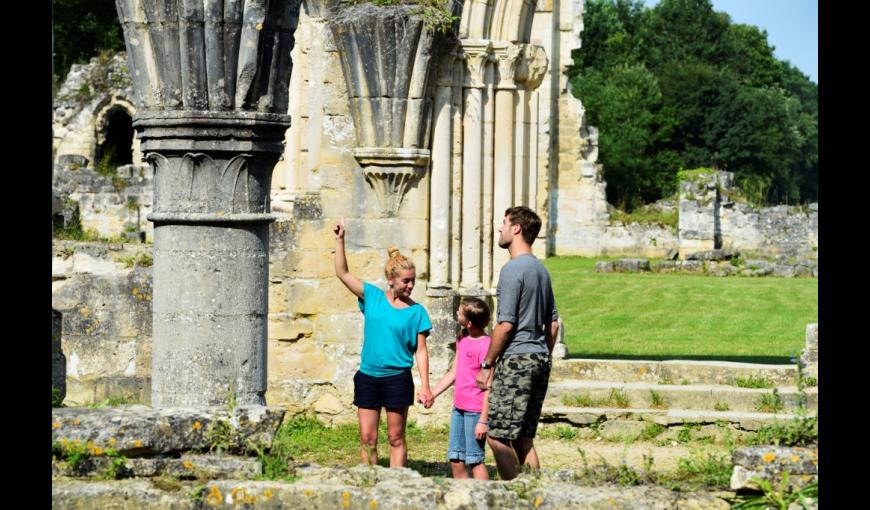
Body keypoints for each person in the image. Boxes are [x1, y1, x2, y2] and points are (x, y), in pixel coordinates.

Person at [333, 219, 434, 468]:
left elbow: (421, 352)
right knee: (368, 439)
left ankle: (396, 484)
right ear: (390, 279)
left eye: (413, 280)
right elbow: (342, 273)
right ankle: (369, 483)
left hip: (397, 379)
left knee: (396, 438)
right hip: (368, 377)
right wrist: (340, 240)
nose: (410, 285)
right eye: (405, 281)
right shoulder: (373, 297)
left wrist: (426, 386)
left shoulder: (417, 312)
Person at [475, 206, 560, 480]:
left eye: (503, 223)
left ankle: (514, 495)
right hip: (539, 357)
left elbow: (505, 325)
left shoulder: (513, 269)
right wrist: (542, 355)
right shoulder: (541, 270)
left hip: (517, 359)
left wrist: (487, 364)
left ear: (516, 228)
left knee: (497, 436)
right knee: (523, 438)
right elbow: (553, 324)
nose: (499, 228)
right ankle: (536, 494)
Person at [430, 297, 493, 480]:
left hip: (475, 411)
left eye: (460, 312)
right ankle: (463, 495)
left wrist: (483, 420)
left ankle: (485, 495)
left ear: (469, 322)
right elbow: (454, 372)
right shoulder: (463, 338)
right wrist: (433, 394)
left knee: (475, 459)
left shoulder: (487, 346)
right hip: (459, 408)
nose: (456, 313)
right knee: (455, 458)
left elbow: (489, 387)